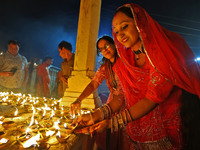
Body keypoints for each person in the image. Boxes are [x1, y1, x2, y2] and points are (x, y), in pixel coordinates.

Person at [73, 3, 200, 150]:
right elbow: (120, 96)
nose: (120, 34)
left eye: (124, 26)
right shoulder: (124, 60)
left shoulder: (160, 52)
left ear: (139, 23)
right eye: (116, 30)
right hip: (137, 128)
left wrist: (110, 123)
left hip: (171, 128)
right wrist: (95, 116)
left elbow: (152, 98)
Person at [71, 36, 131, 150]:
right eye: (101, 49)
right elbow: (93, 84)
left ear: (114, 44)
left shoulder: (126, 61)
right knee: (110, 136)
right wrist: (78, 100)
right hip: (113, 103)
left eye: (107, 46)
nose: (105, 50)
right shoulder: (105, 67)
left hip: (129, 103)